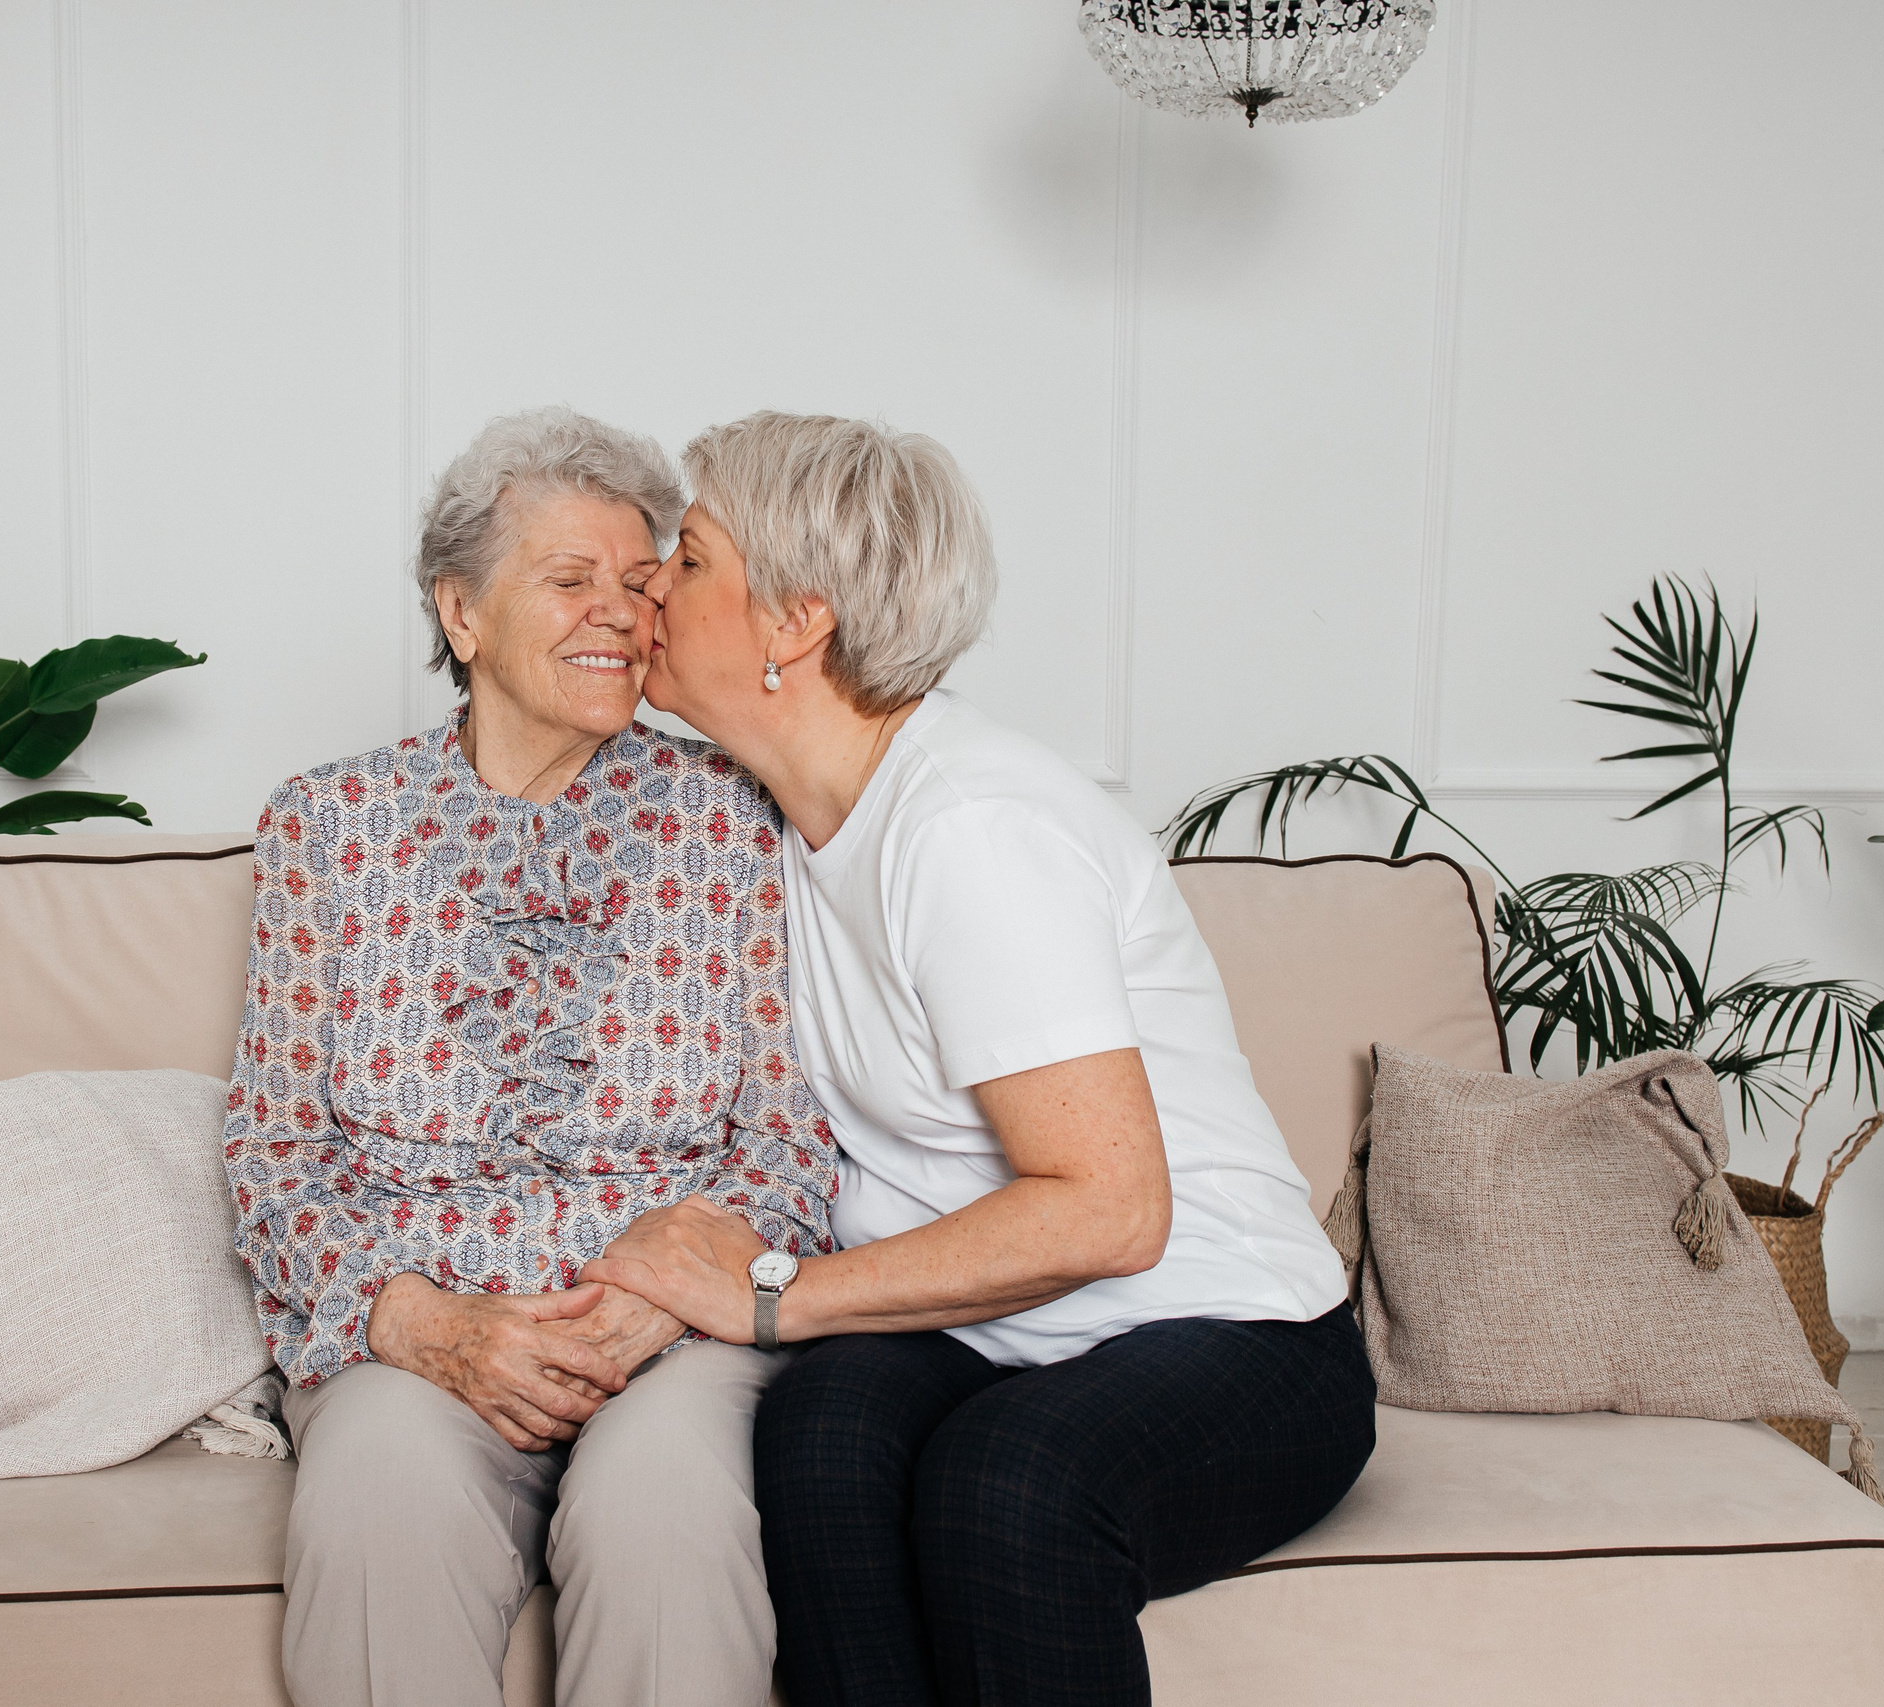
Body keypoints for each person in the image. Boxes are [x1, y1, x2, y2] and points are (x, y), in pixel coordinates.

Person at [582, 412, 1375, 1707]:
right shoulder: (769, 814)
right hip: (990, 1324)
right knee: (821, 1441)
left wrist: (774, 1294)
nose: (649, 582)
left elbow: (1112, 1211)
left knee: (1008, 1488)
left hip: (1229, 1331)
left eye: (691, 555)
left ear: (797, 621)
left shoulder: (972, 831)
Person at [221, 406, 836, 1707]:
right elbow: (274, 1155)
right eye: (568, 580)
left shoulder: (735, 818)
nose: (616, 611)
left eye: (638, 581)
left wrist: (670, 1296)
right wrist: (424, 1323)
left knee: (668, 1517)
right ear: (462, 613)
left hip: (672, 1343)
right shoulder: (328, 827)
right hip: (419, 1341)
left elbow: (792, 1139)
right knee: (379, 1506)